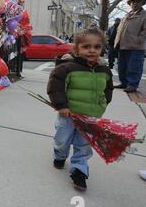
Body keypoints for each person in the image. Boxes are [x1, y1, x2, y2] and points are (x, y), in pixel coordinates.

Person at [47, 28, 113, 191]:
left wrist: (102, 105)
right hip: (68, 114)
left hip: (90, 117)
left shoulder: (104, 70)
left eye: (97, 47)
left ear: (102, 49)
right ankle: (60, 155)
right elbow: (56, 87)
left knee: (83, 145)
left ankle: (79, 170)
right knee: (63, 140)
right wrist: (62, 106)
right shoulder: (67, 68)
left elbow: (108, 90)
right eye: (86, 46)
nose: (92, 50)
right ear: (76, 49)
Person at [114, 0, 146, 93]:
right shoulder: (126, 16)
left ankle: (132, 84)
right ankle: (124, 83)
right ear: (130, 4)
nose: (135, 3)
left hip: (136, 46)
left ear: (142, 3)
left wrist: (138, 39)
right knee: (122, 67)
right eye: (133, 2)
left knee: (134, 66)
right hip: (122, 46)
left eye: (138, 1)